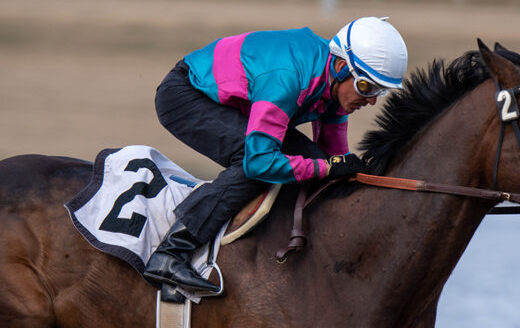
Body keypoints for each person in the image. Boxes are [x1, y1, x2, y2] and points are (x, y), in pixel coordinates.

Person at [143, 17, 408, 292]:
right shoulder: (288, 78)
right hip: (185, 96)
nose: (372, 100)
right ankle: (170, 253)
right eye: (367, 87)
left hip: (238, 103)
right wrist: (326, 169)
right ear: (341, 68)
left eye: (381, 91)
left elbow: (332, 159)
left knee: (310, 163)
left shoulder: (336, 87)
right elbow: (260, 163)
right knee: (257, 168)